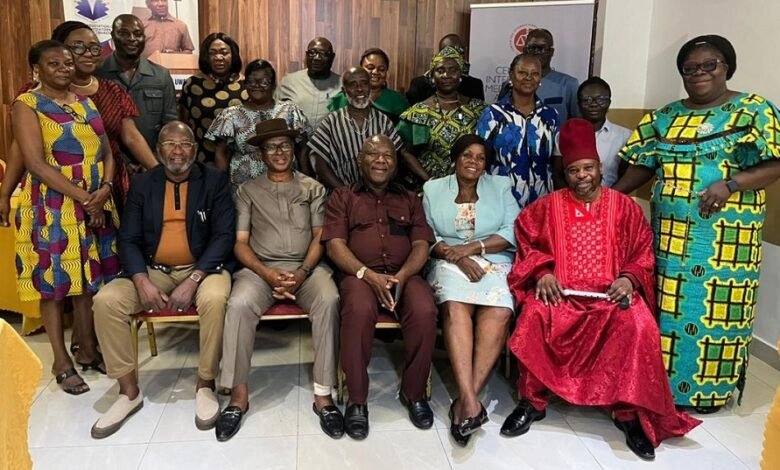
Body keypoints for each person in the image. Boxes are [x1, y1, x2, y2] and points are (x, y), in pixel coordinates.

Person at [502, 118, 700, 460]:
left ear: (599, 167)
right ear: (566, 171)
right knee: (534, 315)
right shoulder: (548, 206)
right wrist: (543, 272)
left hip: (612, 298)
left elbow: (642, 251)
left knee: (638, 325)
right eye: (575, 170)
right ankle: (531, 401)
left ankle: (628, 413)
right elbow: (525, 240)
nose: (582, 176)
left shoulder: (624, 206)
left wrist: (628, 278)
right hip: (561, 296)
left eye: (589, 168)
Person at [613, 35, 780, 413]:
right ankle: (660, 386)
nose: (699, 73)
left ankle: (708, 394)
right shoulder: (664, 116)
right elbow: (644, 164)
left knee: (718, 315)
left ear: (727, 68)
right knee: (666, 311)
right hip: (669, 241)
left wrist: (731, 184)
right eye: (690, 68)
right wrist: (612, 197)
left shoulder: (753, 110)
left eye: (710, 65)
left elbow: (776, 162)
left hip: (727, 245)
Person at [90, 121, 235, 439]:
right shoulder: (143, 184)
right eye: (170, 144)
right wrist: (141, 280)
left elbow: (224, 236)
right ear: (158, 149)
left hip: (203, 269)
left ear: (195, 151)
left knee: (214, 298)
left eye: (185, 144)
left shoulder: (214, 181)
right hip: (154, 269)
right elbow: (127, 238)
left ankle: (205, 383)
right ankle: (128, 392)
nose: (178, 150)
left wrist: (194, 279)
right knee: (106, 301)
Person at [215, 119, 341, 441]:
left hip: (307, 268)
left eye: (285, 145)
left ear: (293, 149)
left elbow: (319, 238)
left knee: (329, 299)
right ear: (261, 154)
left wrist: (301, 273)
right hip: (261, 270)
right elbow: (240, 243)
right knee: (239, 304)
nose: (280, 152)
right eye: (271, 147)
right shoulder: (247, 190)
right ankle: (238, 397)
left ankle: (323, 396)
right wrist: (267, 273)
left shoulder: (313, 188)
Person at [13, 40, 119, 394]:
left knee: (90, 279)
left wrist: (103, 189)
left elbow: (107, 152)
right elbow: (36, 163)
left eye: (68, 63)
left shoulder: (85, 104)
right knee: (54, 283)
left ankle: (88, 348)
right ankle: (61, 359)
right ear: (37, 69)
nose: (64, 68)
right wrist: (85, 198)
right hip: (52, 205)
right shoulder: (27, 105)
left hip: (94, 201)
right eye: (54, 63)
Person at [322, 135, 438, 440]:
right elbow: (335, 246)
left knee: (425, 309)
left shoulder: (410, 198)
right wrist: (366, 274)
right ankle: (357, 401)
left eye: (387, 155)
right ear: (360, 160)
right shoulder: (342, 197)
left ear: (395, 162)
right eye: (373, 154)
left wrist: (402, 275)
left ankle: (414, 394)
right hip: (358, 275)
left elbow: (421, 244)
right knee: (359, 310)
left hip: (405, 275)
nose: (380, 160)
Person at [1, 20, 157, 224]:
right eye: (78, 47)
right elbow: (20, 149)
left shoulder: (111, 92)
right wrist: (5, 194)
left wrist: (161, 174)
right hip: (56, 191)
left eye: (94, 47)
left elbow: (132, 138)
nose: (88, 53)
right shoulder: (33, 97)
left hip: (106, 186)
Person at [422, 135, 518, 446]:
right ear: (454, 158)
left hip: (493, 258)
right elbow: (428, 234)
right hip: (448, 261)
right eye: (467, 155)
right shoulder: (433, 189)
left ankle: (466, 401)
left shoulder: (500, 186)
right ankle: (470, 401)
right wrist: (458, 256)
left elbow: (511, 229)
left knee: (501, 308)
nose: (474, 162)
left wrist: (473, 248)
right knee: (453, 305)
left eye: (480, 157)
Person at [206, 59, 313, 190]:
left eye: (264, 81)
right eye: (251, 81)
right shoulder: (230, 115)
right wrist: (220, 186)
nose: (256, 85)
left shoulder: (290, 111)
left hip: (285, 184)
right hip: (243, 186)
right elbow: (221, 153)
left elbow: (303, 149)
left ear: (274, 85)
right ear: (245, 84)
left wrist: (307, 181)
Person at [397, 46, 487, 187]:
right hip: (433, 188)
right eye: (440, 70)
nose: (447, 75)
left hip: (472, 187)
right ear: (432, 77)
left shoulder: (478, 110)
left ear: (461, 75)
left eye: (453, 70)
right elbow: (407, 153)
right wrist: (430, 182)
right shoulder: (421, 113)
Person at [478, 54, 559, 209]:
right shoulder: (493, 114)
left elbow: (555, 162)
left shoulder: (550, 116)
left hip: (542, 200)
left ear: (540, 79)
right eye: (522, 72)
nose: (528, 78)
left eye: (534, 74)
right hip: (501, 199)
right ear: (511, 75)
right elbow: (482, 157)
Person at [310, 67, 410, 190]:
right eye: (353, 84)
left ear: (370, 86)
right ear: (344, 90)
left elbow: (394, 161)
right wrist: (346, 195)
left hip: (378, 195)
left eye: (364, 83)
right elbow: (321, 167)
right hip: (342, 195)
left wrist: (378, 191)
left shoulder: (384, 121)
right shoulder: (330, 122)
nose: (359, 89)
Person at [96, 14, 177, 151]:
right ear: (113, 36)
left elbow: (170, 123)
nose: (132, 39)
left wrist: (156, 159)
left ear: (144, 37)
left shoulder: (161, 75)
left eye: (137, 34)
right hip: (110, 161)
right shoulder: (97, 73)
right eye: (124, 33)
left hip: (152, 160)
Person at [179, 32, 248, 163]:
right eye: (212, 53)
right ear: (206, 57)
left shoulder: (246, 86)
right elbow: (183, 123)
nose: (218, 57)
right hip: (201, 159)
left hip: (239, 161)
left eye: (224, 52)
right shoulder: (192, 84)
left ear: (233, 55)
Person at [497, 29, 579, 123]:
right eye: (532, 48)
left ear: (551, 52)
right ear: (524, 50)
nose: (536, 52)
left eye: (541, 48)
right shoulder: (511, 84)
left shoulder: (569, 85)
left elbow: (577, 124)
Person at [573, 76, 630, 187]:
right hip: (572, 200)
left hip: (610, 199)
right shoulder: (565, 135)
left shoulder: (625, 137)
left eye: (601, 99)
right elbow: (558, 173)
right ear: (578, 104)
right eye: (587, 100)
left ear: (609, 102)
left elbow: (625, 176)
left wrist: (608, 198)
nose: (594, 104)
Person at [328, 48, 409, 124]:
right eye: (370, 67)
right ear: (360, 69)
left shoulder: (398, 101)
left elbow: (404, 133)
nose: (375, 72)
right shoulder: (341, 99)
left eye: (381, 69)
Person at [276, 37, 341, 129]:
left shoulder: (343, 85)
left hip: (329, 142)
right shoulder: (288, 82)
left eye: (323, 54)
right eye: (312, 53)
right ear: (306, 55)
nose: (317, 58)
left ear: (332, 57)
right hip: (295, 141)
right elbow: (275, 114)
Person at [406, 34, 484, 105]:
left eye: (458, 51)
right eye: (446, 51)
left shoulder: (474, 85)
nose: (451, 55)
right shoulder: (420, 85)